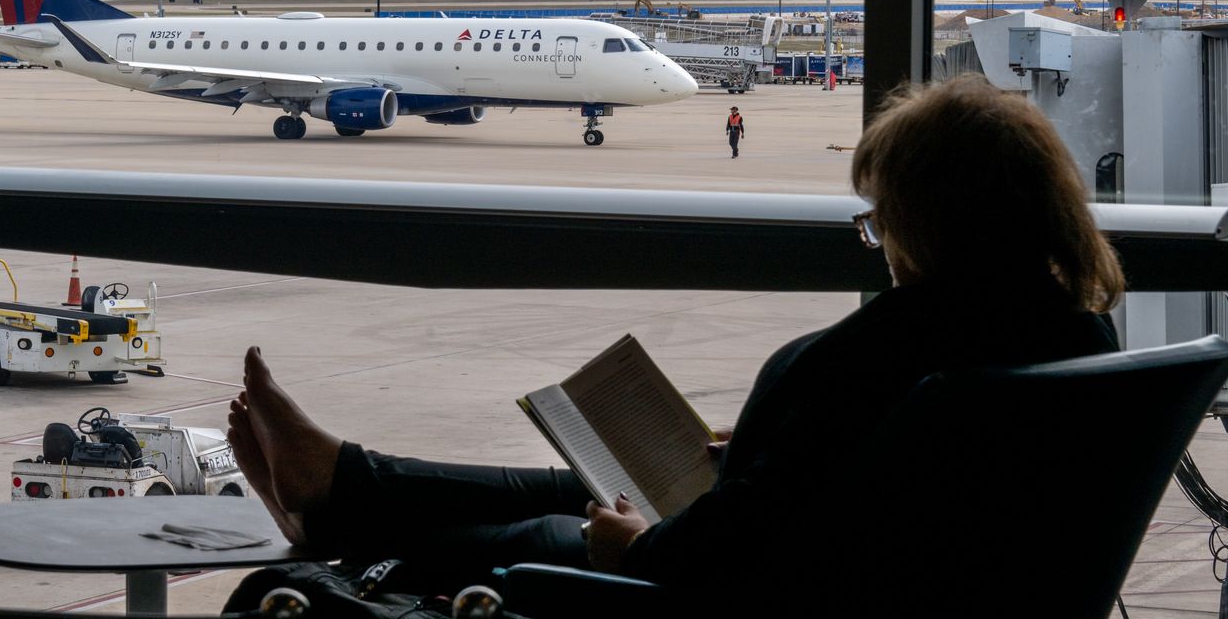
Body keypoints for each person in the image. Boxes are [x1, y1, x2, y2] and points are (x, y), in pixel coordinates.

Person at [225, 73, 1123, 606]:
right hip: (904, 583)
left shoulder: (855, 358)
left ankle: (332, 518)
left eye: (879, 219)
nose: (879, 240)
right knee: (582, 474)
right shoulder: (1078, 340)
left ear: (923, 224)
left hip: (732, 592)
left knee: (555, 519)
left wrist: (633, 549)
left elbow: (708, 562)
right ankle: (339, 479)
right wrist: (771, 448)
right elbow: (903, 483)